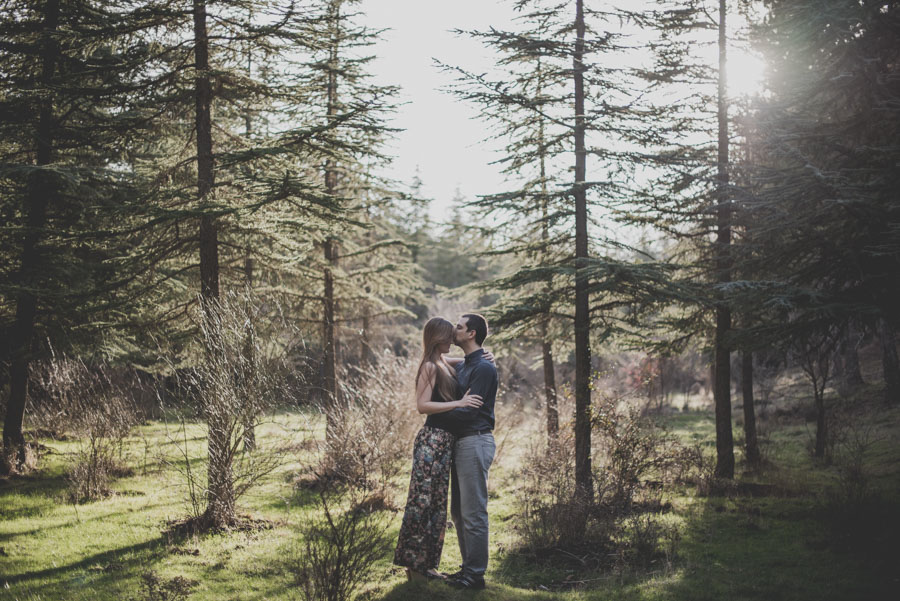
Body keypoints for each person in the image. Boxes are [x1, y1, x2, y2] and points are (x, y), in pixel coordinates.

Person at [393, 317, 485, 581]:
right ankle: (414, 567)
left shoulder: (443, 363)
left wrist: (482, 355)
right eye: (448, 337)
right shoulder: (430, 367)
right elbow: (422, 405)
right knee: (421, 504)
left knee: (435, 507)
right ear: (438, 338)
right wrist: (460, 402)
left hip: (444, 444)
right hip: (431, 442)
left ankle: (428, 565)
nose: (452, 341)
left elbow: (464, 361)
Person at [441, 313, 498, 590]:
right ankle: (468, 569)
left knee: (474, 512)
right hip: (462, 442)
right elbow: (433, 361)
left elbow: (468, 411)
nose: (454, 330)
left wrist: (433, 419)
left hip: (475, 439)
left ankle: (475, 575)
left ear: (471, 333)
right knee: (459, 512)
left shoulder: (483, 368)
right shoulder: (468, 364)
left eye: (459, 327)